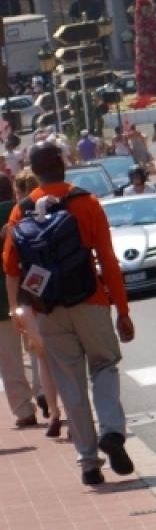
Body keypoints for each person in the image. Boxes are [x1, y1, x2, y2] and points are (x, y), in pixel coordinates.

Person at [4, 142, 135, 485]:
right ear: (62, 164)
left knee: (69, 380)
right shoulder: (86, 202)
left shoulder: (21, 211)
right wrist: (121, 310)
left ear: (32, 171)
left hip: (47, 308)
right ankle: (112, 431)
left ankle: (89, 463)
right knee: (104, 364)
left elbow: (11, 267)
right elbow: (107, 259)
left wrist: (18, 310)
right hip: (89, 300)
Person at [8, 169, 61, 438]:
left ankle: (42, 411)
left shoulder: (17, 217)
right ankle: (70, 411)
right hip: (52, 293)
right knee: (62, 355)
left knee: (32, 355)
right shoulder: (53, 207)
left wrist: (11, 304)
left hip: (22, 296)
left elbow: (10, 268)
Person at [0, 174, 39, 428]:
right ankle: (45, 392)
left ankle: (24, 409)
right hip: (29, 289)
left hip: (1, 302)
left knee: (10, 358)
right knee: (38, 348)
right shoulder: (22, 210)